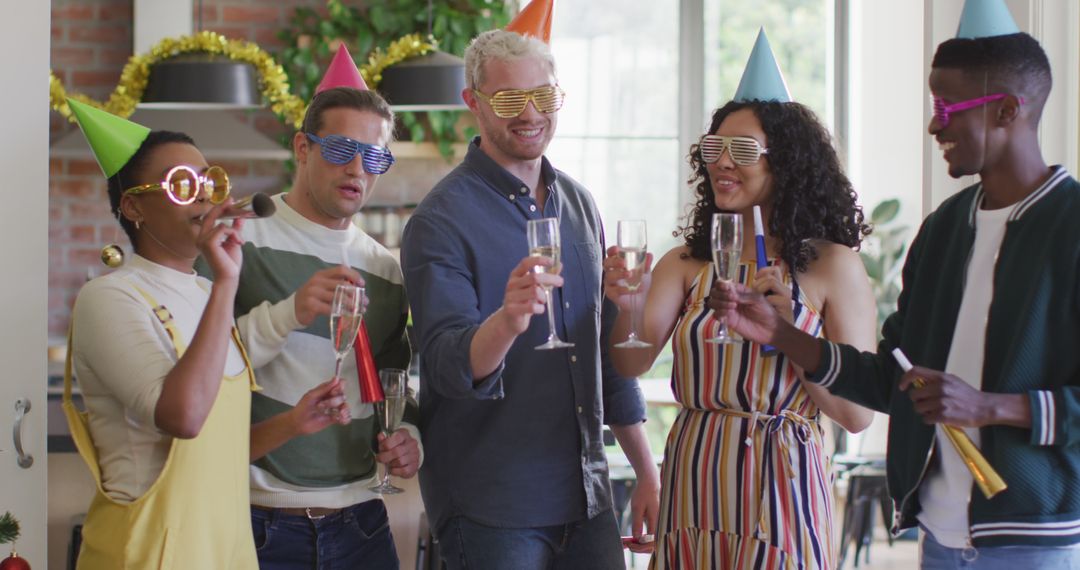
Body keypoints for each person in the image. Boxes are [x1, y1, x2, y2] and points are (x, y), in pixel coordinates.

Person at [711, 2, 1080, 567]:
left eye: (948, 107)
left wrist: (989, 407)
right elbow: (893, 378)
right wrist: (784, 335)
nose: (935, 124)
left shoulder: (1071, 226)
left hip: (1035, 540)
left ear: (1007, 111)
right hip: (936, 533)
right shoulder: (943, 230)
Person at [602, 30, 875, 569]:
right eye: (714, 149)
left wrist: (791, 332)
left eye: (743, 150)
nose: (723, 163)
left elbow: (857, 415)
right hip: (693, 479)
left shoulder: (830, 266)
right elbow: (631, 361)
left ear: (788, 163)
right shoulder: (686, 261)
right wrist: (626, 303)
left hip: (781, 489)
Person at [399, 5, 661, 568]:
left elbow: (602, 353)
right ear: (472, 103)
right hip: (492, 503)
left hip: (587, 494)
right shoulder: (439, 221)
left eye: (543, 97)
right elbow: (445, 366)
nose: (530, 114)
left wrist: (647, 471)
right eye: (509, 100)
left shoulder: (579, 203)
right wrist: (508, 322)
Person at [207, 46, 420, 568]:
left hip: (363, 520)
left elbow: (393, 382)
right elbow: (200, 370)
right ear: (303, 147)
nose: (356, 169)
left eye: (374, 157)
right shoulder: (240, 241)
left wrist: (409, 438)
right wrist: (290, 312)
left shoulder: (386, 269)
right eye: (340, 149)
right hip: (258, 519)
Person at [63, 99, 259, 568]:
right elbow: (185, 417)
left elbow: (220, 445)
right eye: (181, 185)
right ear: (133, 207)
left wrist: (298, 422)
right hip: (151, 553)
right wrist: (228, 283)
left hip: (227, 549)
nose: (204, 198)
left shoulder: (206, 292)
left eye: (208, 182)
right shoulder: (111, 297)